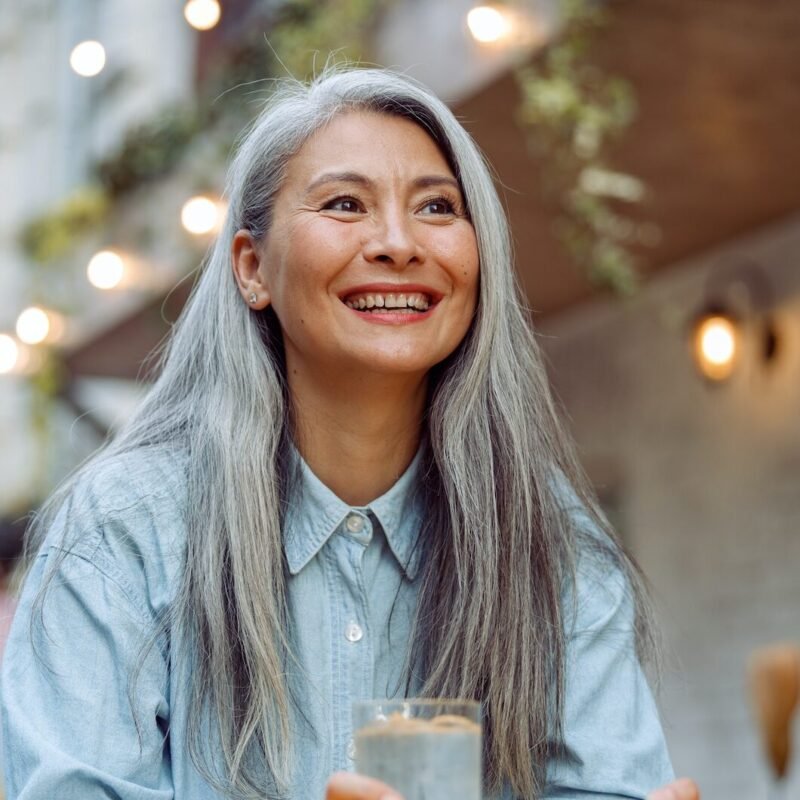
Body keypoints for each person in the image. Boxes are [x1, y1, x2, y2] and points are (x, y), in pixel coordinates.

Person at [0, 68, 699, 800]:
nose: (398, 243)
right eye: (344, 203)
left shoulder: (550, 539)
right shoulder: (126, 529)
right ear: (252, 269)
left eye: (436, 206)